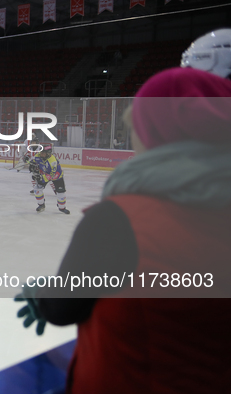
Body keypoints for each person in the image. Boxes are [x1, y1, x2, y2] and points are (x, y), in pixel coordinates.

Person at [15, 67, 231, 393]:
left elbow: (62, 305)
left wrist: (44, 297)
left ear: (156, 134)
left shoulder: (118, 221)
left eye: (137, 127)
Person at [30, 144, 69, 214]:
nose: (41, 154)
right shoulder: (38, 156)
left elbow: (51, 175)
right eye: (41, 152)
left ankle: (62, 208)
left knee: (61, 193)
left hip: (57, 176)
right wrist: (30, 163)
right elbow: (34, 162)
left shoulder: (52, 161)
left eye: (43, 153)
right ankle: (41, 205)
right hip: (45, 174)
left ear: (48, 153)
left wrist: (40, 177)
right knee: (37, 189)